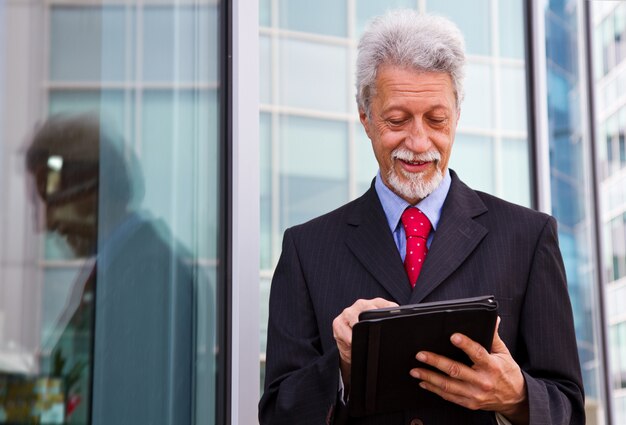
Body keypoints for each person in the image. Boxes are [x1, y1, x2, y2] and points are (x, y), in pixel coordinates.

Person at [259, 10, 584, 425]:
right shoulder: (306, 248)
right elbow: (276, 414)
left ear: (457, 117)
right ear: (366, 119)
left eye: (436, 120)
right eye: (397, 120)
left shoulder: (529, 237)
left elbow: (570, 410)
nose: (418, 142)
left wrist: (518, 396)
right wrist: (340, 365)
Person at [23, 115, 196, 424]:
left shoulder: (152, 276)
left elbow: (133, 406)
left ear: (92, 187)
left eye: (51, 199)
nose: (46, 224)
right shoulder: (118, 267)